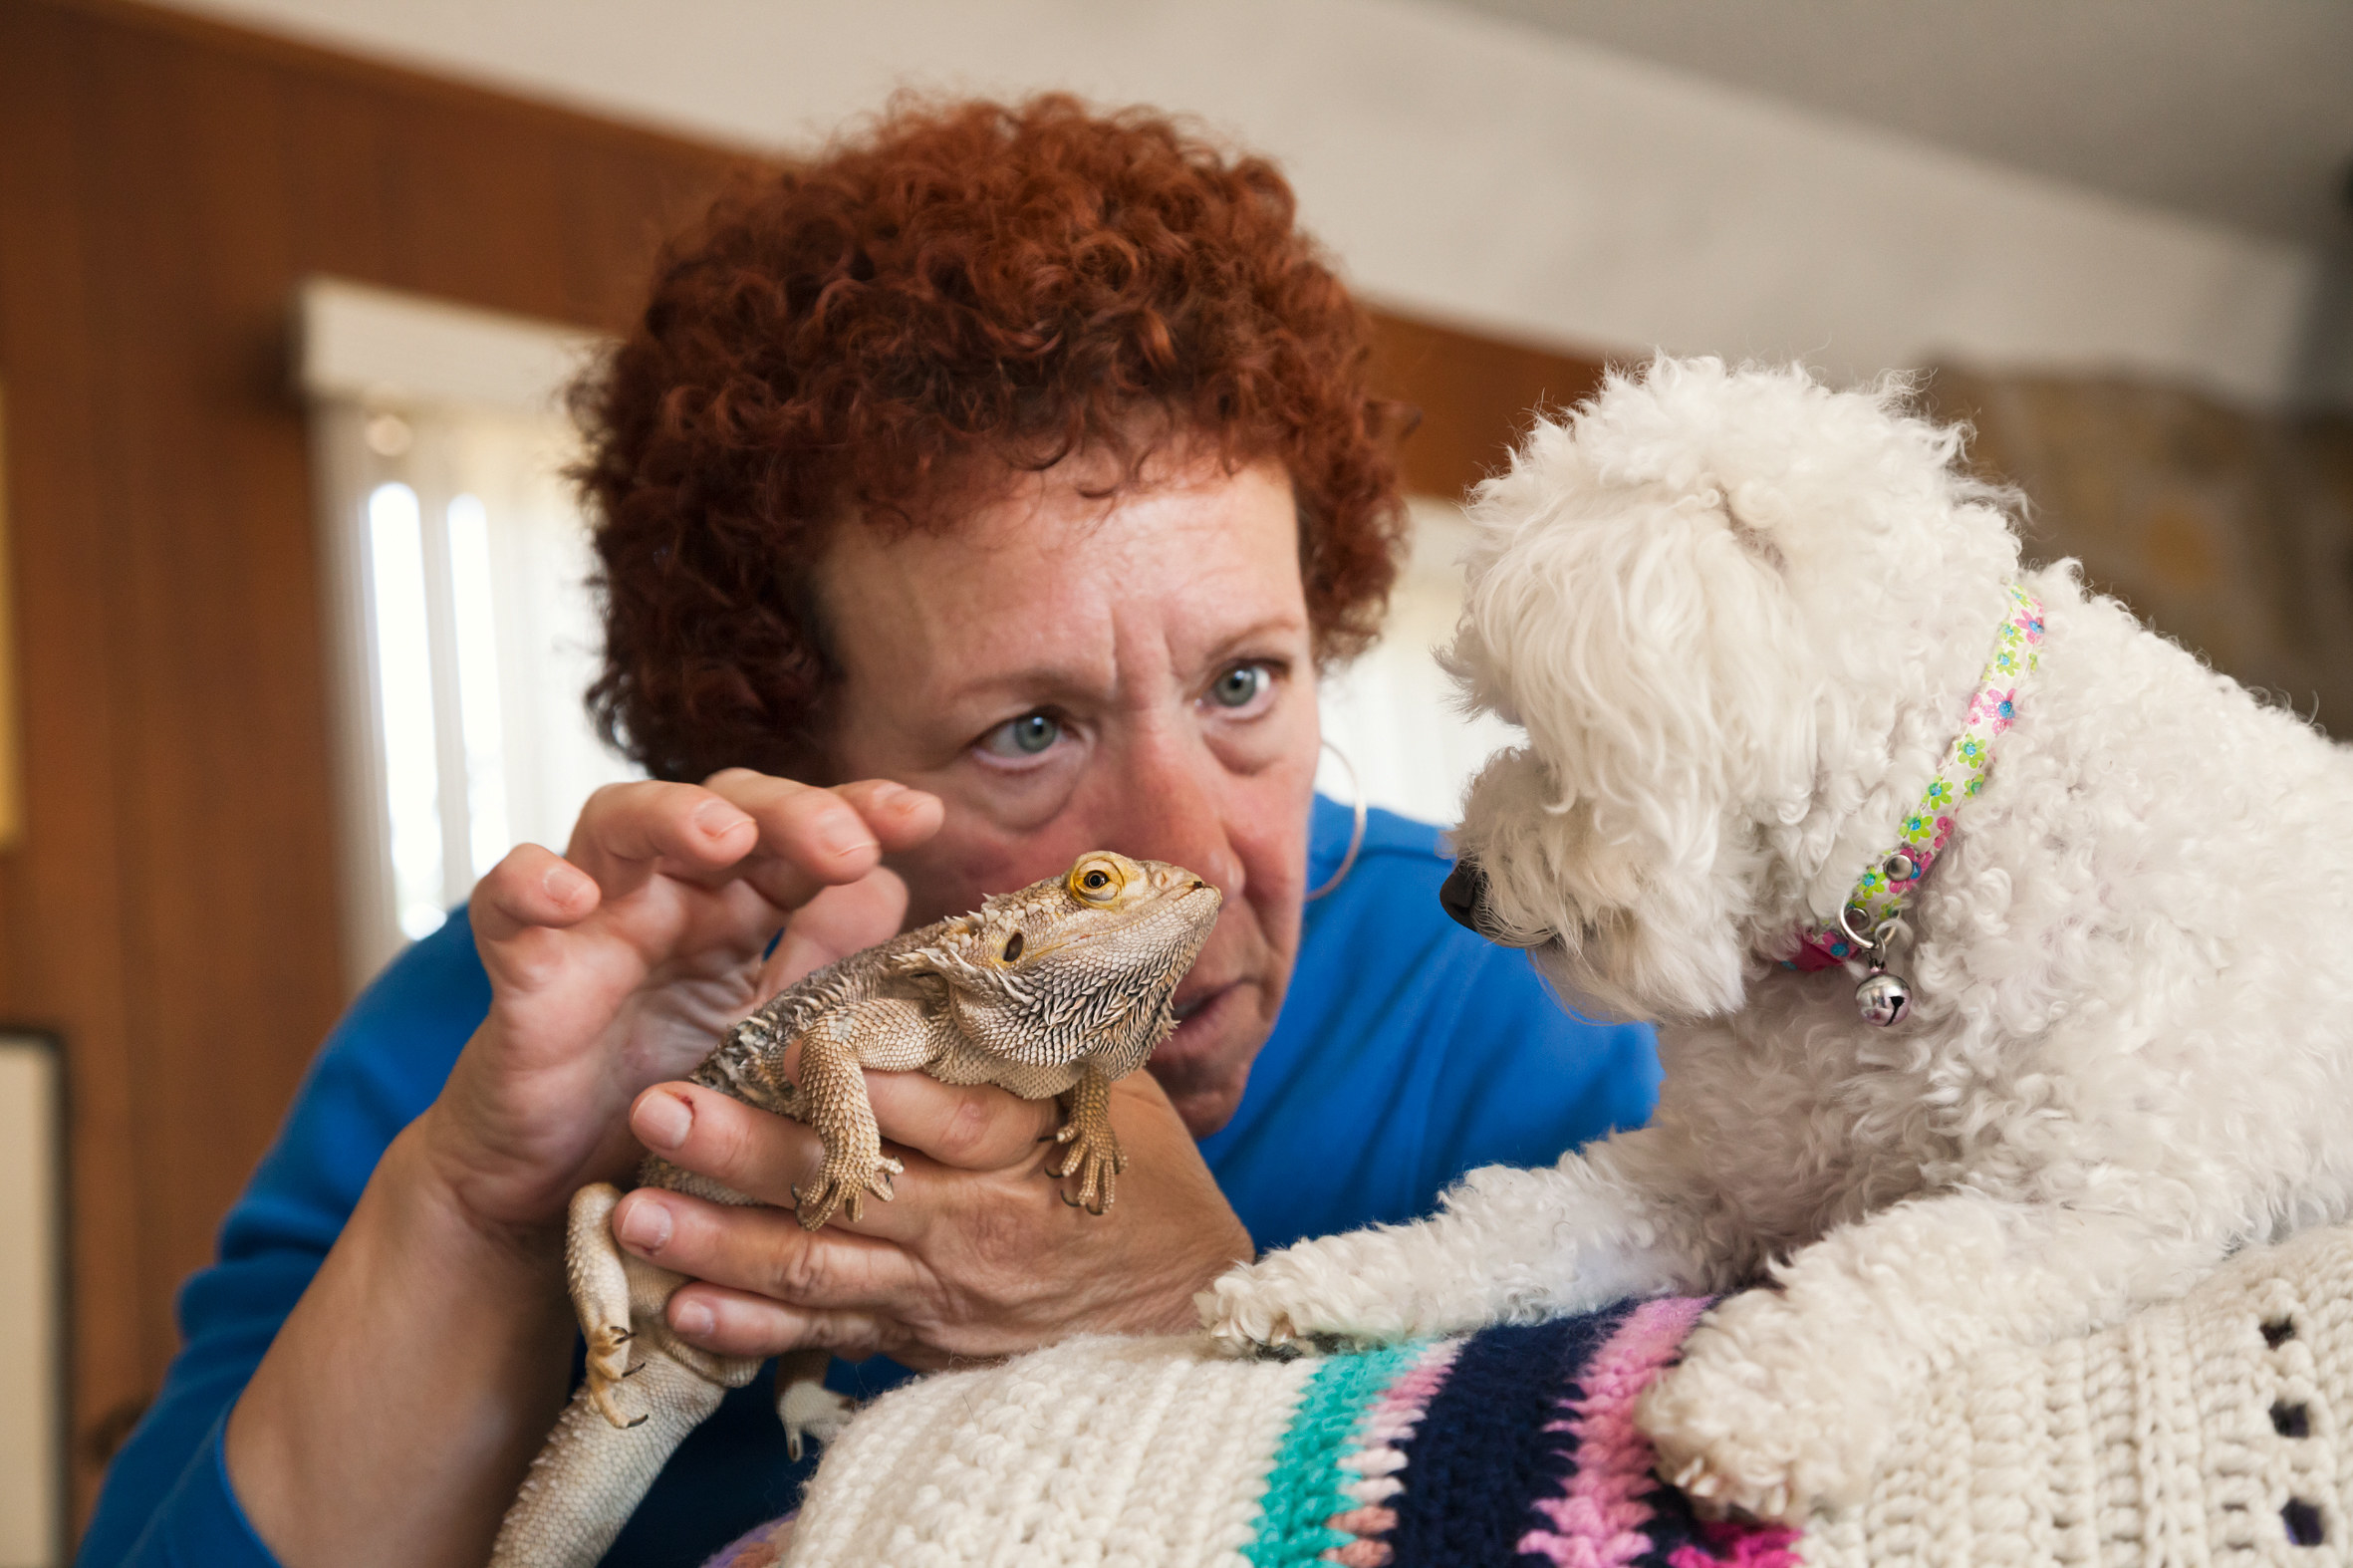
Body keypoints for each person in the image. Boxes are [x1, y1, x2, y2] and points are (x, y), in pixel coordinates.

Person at [79, 97, 1659, 1568]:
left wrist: (1178, 1320)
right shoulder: (527, 1028)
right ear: (791, 769)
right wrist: (480, 1217)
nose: (1186, 852)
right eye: (1026, 731)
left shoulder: (1513, 995)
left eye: (1243, 682)